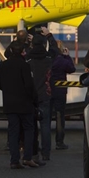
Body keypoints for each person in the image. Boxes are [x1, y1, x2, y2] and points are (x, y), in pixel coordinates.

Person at [0, 41, 40, 169]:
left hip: (10, 103)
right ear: (22, 52)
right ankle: (27, 157)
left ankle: (14, 160)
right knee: (28, 130)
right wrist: (34, 100)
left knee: (13, 132)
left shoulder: (4, 65)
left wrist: (9, 90)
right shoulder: (24, 65)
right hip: (25, 104)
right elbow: (29, 85)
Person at [26, 24, 59, 163]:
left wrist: (30, 42)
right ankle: (46, 153)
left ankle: (32, 152)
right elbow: (55, 50)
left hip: (31, 96)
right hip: (45, 94)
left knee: (30, 126)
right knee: (45, 126)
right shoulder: (48, 59)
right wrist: (49, 35)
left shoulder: (28, 59)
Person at [48, 40, 76, 150]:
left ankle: (46, 143)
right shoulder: (62, 61)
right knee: (60, 117)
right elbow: (72, 69)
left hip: (48, 90)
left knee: (47, 118)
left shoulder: (48, 60)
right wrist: (67, 57)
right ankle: (59, 142)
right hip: (60, 91)